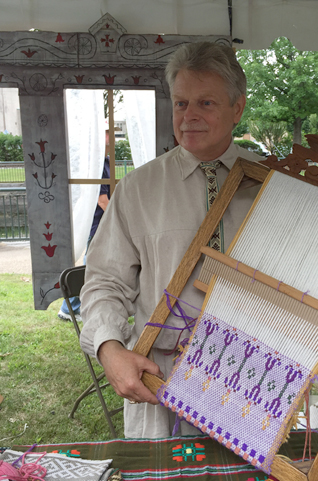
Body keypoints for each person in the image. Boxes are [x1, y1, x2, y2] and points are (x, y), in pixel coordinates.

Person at [80, 42, 264, 438]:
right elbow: (104, 282)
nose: (189, 117)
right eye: (181, 104)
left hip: (254, 383)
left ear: (238, 108)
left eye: (206, 103)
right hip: (162, 379)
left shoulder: (276, 187)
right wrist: (109, 347)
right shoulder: (137, 190)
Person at [57, 156, 110, 321]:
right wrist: (118, 219)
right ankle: (69, 307)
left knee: (93, 264)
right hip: (99, 223)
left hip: (100, 222)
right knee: (91, 264)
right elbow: (102, 200)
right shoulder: (97, 163)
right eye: (108, 132)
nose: (110, 135)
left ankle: (72, 306)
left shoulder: (105, 161)